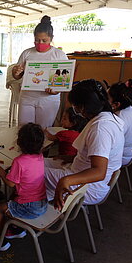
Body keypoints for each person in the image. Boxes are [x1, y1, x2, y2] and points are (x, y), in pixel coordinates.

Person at [45, 79, 125, 210]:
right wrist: (72, 158)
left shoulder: (101, 128)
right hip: (81, 173)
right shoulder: (109, 118)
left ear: (83, 107)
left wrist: (67, 180)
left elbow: (99, 172)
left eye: (76, 106)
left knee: (28, 171)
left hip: (89, 186)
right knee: (36, 163)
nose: (76, 110)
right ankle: (38, 201)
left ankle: (21, 219)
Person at [0, 123, 47, 251]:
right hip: (42, 203)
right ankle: (17, 229)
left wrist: (0, 170)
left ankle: (0, 242)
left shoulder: (19, 162)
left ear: (19, 142)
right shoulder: (40, 156)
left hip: (29, 207)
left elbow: (10, 183)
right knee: (13, 196)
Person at [12, 15, 69, 128]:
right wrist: (16, 71)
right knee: (24, 130)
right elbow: (17, 76)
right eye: (37, 40)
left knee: (43, 131)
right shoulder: (27, 53)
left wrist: (55, 91)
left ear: (51, 38)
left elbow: (63, 80)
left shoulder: (59, 55)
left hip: (48, 99)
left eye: (44, 40)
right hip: (27, 97)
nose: (40, 43)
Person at [108, 79, 132, 166]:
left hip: (121, 157)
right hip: (128, 151)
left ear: (116, 104)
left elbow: (109, 145)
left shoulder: (119, 119)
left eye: (106, 98)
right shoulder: (129, 109)